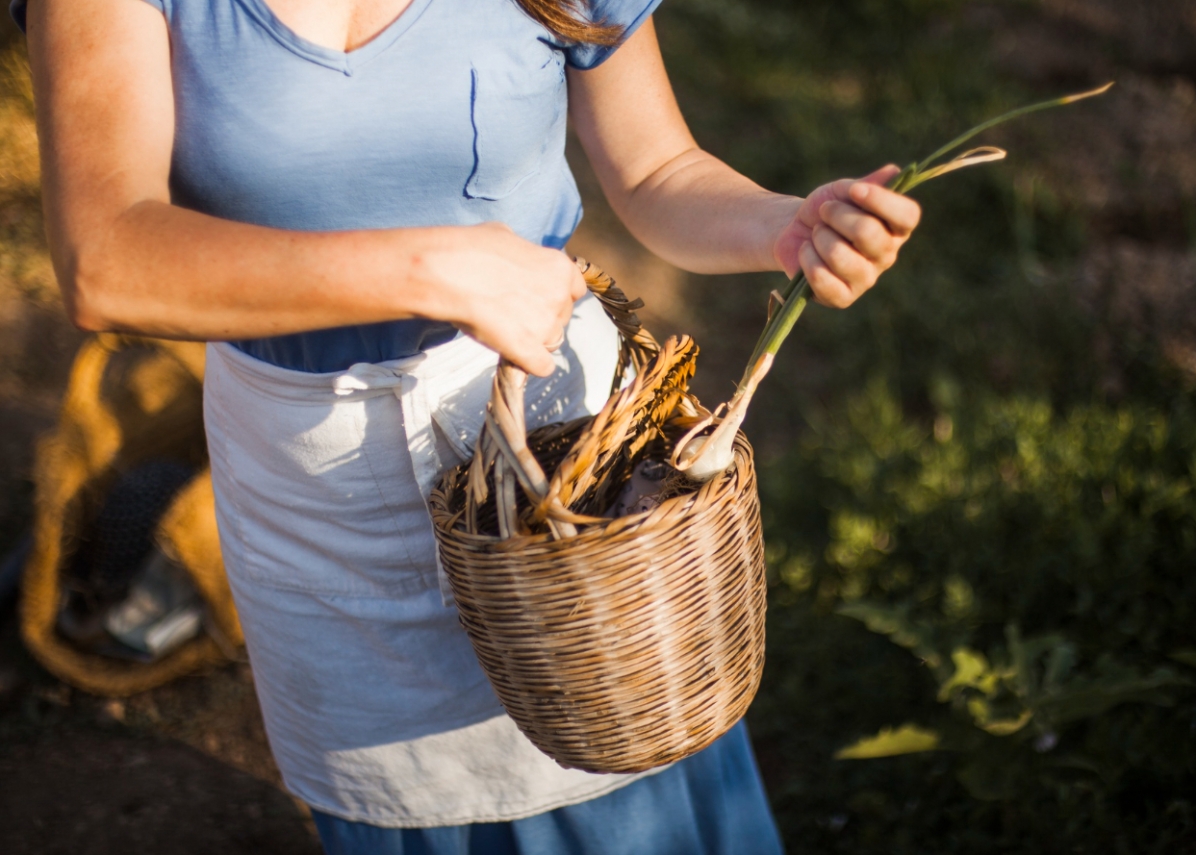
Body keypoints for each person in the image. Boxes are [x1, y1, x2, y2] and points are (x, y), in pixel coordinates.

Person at [18, 0, 921, 851]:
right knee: (407, 805)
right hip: (316, 491)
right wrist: (431, 268)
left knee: (620, 792)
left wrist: (788, 227)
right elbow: (108, 258)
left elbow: (657, 172)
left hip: (560, 464)